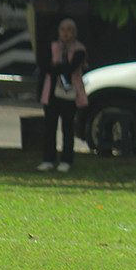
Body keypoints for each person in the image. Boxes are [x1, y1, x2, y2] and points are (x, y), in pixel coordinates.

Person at [37, 18, 87, 172]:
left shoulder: (79, 49)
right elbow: (45, 66)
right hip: (51, 92)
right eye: (63, 29)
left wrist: (57, 67)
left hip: (70, 94)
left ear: (74, 33)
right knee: (49, 127)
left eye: (69, 30)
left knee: (67, 128)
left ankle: (66, 160)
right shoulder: (52, 46)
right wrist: (58, 68)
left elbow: (70, 68)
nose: (65, 33)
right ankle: (48, 159)